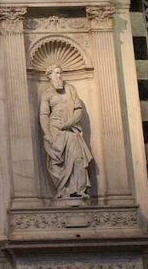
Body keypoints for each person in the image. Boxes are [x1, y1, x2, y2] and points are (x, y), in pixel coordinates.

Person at [39, 65, 93, 199]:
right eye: (56, 73)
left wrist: (69, 123)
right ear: (50, 76)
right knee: (55, 162)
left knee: (78, 158)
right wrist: (47, 134)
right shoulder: (47, 94)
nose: (60, 76)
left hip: (71, 129)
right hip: (55, 130)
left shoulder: (70, 89)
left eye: (60, 73)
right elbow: (44, 115)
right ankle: (63, 190)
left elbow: (78, 110)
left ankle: (79, 190)